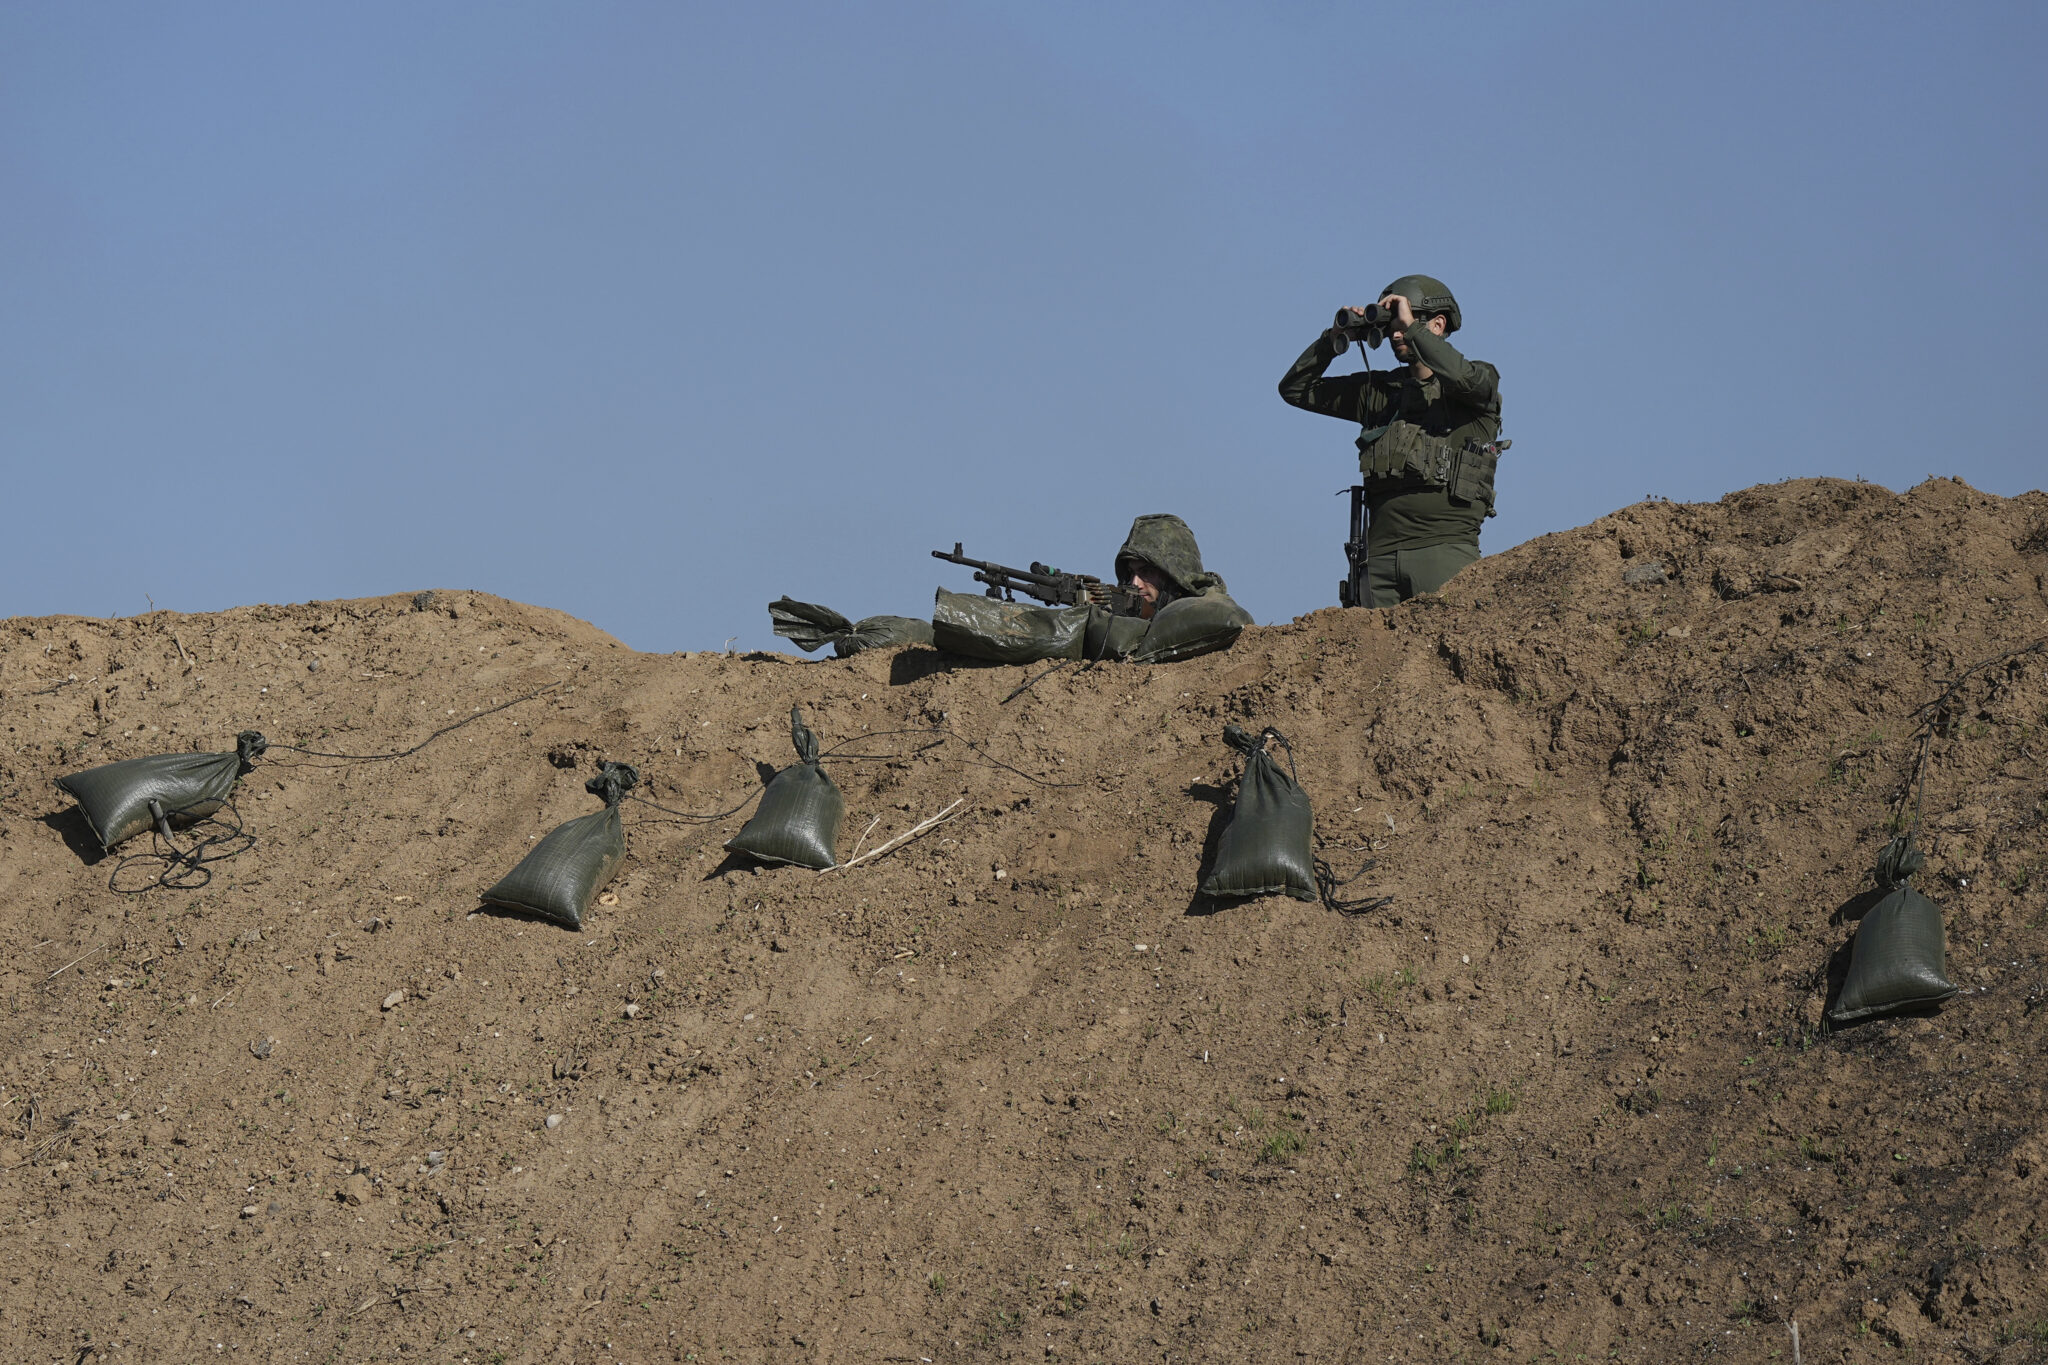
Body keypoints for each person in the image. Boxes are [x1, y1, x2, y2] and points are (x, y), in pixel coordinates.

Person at [1278, 274, 1504, 606]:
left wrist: (1412, 328)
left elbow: (1464, 379)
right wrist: (1332, 339)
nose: (1396, 333)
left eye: (1404, 321)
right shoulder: (1380, 392)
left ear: (1437, 325)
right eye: (1391, 325)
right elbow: (1296, 390)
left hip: (1444, 551)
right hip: (1379, 561)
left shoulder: (1477, 385)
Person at [770, 514, 1252, 664]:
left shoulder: (1206, 613)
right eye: (1128, 573)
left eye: (1148, 574)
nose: (1134, 584)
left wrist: (1095, 619)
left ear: (1176, 576)